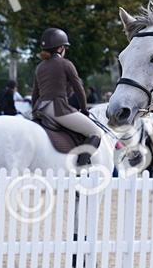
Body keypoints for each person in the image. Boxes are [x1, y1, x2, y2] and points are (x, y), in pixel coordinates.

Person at [31, 28, 101, 167]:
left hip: (41, 110)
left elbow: (35, 93)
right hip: (58, 108)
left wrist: (34, 113)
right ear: (61, 47)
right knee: (95, 133)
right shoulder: (66, 64)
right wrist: (84, 109)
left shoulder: (40, 67)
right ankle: (81, 167)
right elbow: (79, 89)